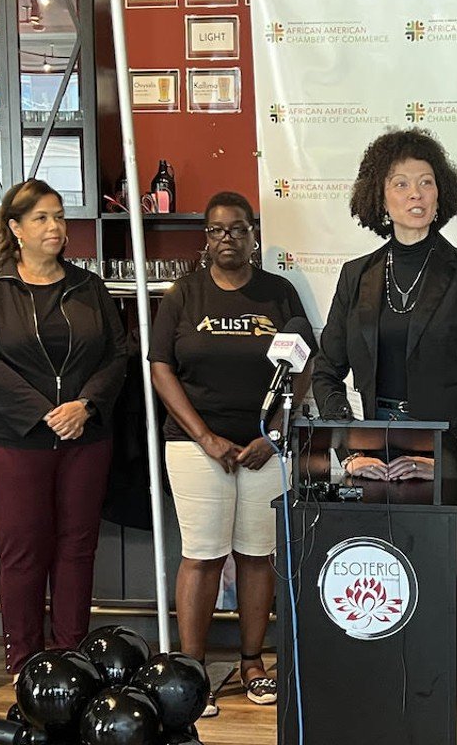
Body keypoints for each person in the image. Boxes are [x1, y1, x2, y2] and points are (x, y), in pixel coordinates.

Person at [0, 179, 127, 677]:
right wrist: (41, 411)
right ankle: (26, 662)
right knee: (24, 551)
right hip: (10, 440)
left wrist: (85, 406)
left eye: (59, 216)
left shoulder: (88, 285)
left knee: (77, 547)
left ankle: (72, 657)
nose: (55, 227)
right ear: (15, 228)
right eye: (41, 218)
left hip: (85, 437)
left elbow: (117, 355)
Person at [150, 191, 311, 716]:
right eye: (217, 230)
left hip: (265, 446)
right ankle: (190, 673)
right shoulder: (183, 294)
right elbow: (161, 368)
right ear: (205, 238)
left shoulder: (279, 293)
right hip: (198, 446)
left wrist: (277, 431)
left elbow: (306, 365)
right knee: (201, 556)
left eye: (237, 230)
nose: (227, 239)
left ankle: (251, 663)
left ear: (252, 235)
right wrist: (205, 437)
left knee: (256, 556)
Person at [312, 128, 457, 481]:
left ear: (440, 194)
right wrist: (349, 449)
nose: (415, 194)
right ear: (381, 198)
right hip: (372, 453)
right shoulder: (355, 275)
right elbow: (327, 371)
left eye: (426, 182)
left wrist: (450, 453)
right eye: (400, 184)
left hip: (448, 452)